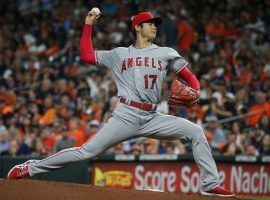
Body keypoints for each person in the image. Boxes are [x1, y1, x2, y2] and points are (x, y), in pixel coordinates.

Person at [7, 8, 234, 197]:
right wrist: (88, 25)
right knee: (86, 152)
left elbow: (189, 76)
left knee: (195, 131)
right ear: (137, 27)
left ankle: (209, 184)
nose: (155, 26)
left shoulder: (166, 52)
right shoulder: (119, 54)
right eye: (150, 23)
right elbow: (86, 55)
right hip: (125, 115)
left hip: (153, 117)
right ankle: (31, 168)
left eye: (156, 23)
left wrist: (196, 89)